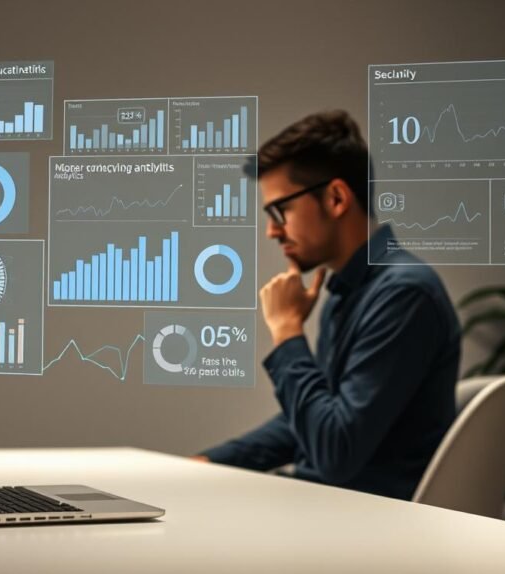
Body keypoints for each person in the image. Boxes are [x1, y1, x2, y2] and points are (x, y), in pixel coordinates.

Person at [195, 110, 461, 500]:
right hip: (330, 505)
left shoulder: (404, 294)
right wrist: (210, 464)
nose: (272, 230)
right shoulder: (349, 292)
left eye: (279, 210)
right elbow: (308, 422)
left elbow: (335, 451)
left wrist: (287, 331)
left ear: (336, 198)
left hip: (366, 522)